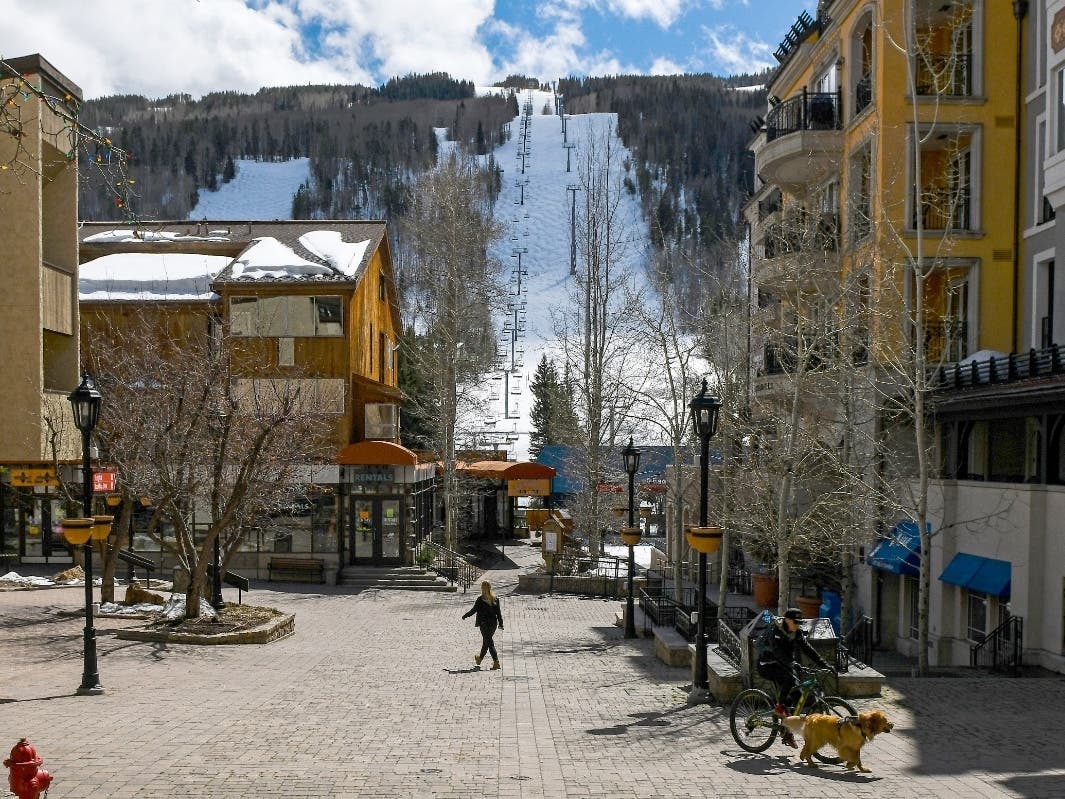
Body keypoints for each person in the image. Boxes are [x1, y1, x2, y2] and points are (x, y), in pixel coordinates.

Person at [756, 607, 834, 748]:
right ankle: (779, 708)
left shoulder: (796, 632)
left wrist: (824, 663)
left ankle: (787, 731)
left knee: (798, 695)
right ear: (787, 620)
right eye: (795, 622)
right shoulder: (776, 632)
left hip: (784, 664)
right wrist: (793, 664)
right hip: (767, 664)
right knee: (789, 679)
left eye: (799, 622)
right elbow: (778, 654)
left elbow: (807, 648)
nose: (797, 625)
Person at [463, 580, 504, 670]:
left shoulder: (480, 599)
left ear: (482, 588)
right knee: (486, 641)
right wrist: (501, 623)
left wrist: (465, 615)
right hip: (493, 624)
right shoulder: (495, 599)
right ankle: (480, 658)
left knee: (489, 642)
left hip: (484, 624)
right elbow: (499, 613)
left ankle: (496, 662)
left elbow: (473, 610)